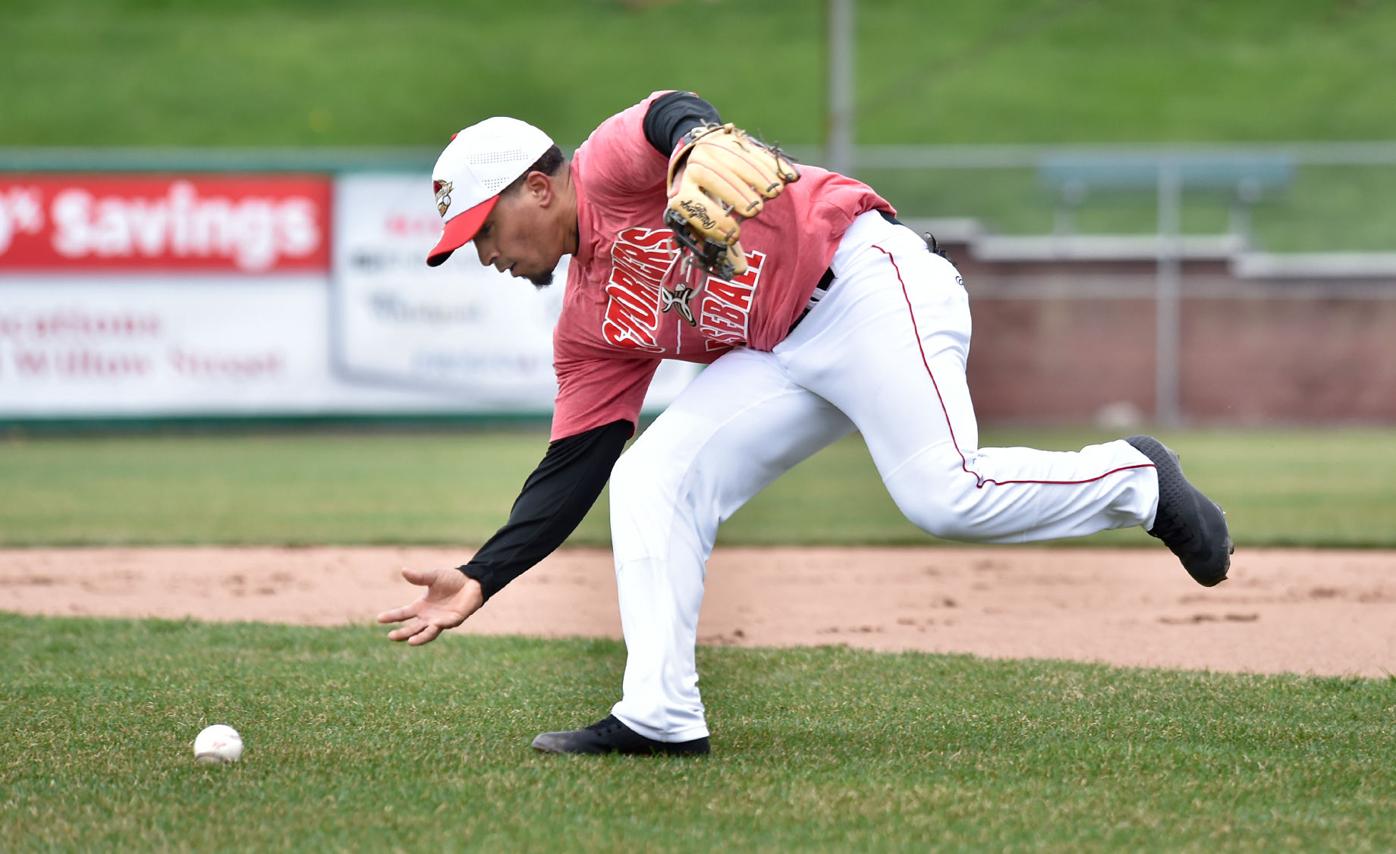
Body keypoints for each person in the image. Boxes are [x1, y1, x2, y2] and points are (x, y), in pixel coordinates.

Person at [377, 90, 1233, 756]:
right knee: (650, 476)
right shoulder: (588, 324)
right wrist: (483, 573)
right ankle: (660, 715)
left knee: (945, 497)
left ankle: (1137, 480)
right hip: (782, 348)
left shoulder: (605, 167)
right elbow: (574, 465)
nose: (484, 255)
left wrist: (695, 141)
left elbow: (668, 113)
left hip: (865, 283)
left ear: (535, 186)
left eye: (482, 228)